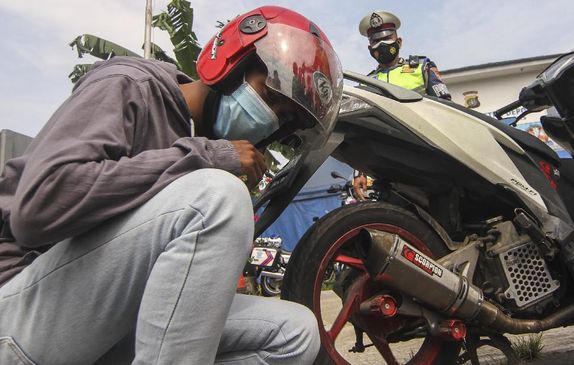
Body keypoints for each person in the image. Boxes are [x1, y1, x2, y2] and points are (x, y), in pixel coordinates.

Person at [0, 5, 343, 365]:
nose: (270, 119)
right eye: (270, 97)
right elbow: (38, 206)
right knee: (217, 199)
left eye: (284, 119)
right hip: (18, 309)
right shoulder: (129, 85)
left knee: (295, 333)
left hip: (99, 323)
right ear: (231, 66)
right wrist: (205, 157)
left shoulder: (196, 147)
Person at [353, 10, 452, 199]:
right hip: (387, 163)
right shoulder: (367, 83)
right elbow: (360, 131)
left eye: (387, 38)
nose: (382, 44)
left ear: (399, 42)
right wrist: (359, 173)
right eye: (375, 40)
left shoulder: (421, 67)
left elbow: (446, 108)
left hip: (426, 153)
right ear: (370, 49)